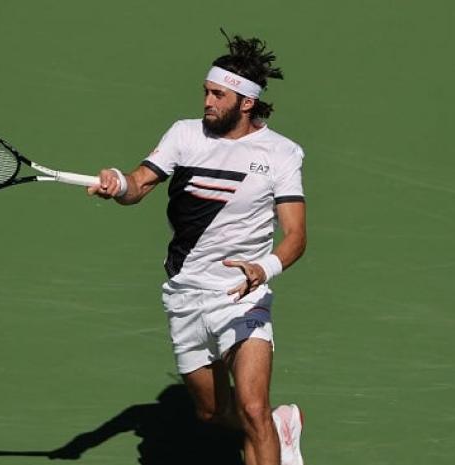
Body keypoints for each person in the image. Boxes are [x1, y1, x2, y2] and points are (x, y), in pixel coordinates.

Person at [88, 31, 306, 465]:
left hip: (243, 296)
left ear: (246, 102)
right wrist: (117, 182)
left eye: (218, 95)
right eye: (206, 92)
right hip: (187, 294)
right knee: (211, 413)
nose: (207, 102)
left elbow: (296, 236)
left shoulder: (281, 154)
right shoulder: (184, 135)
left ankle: (268, 430)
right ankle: (283, 427)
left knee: (253, 409)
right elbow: (139, 185)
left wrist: (264, 269)